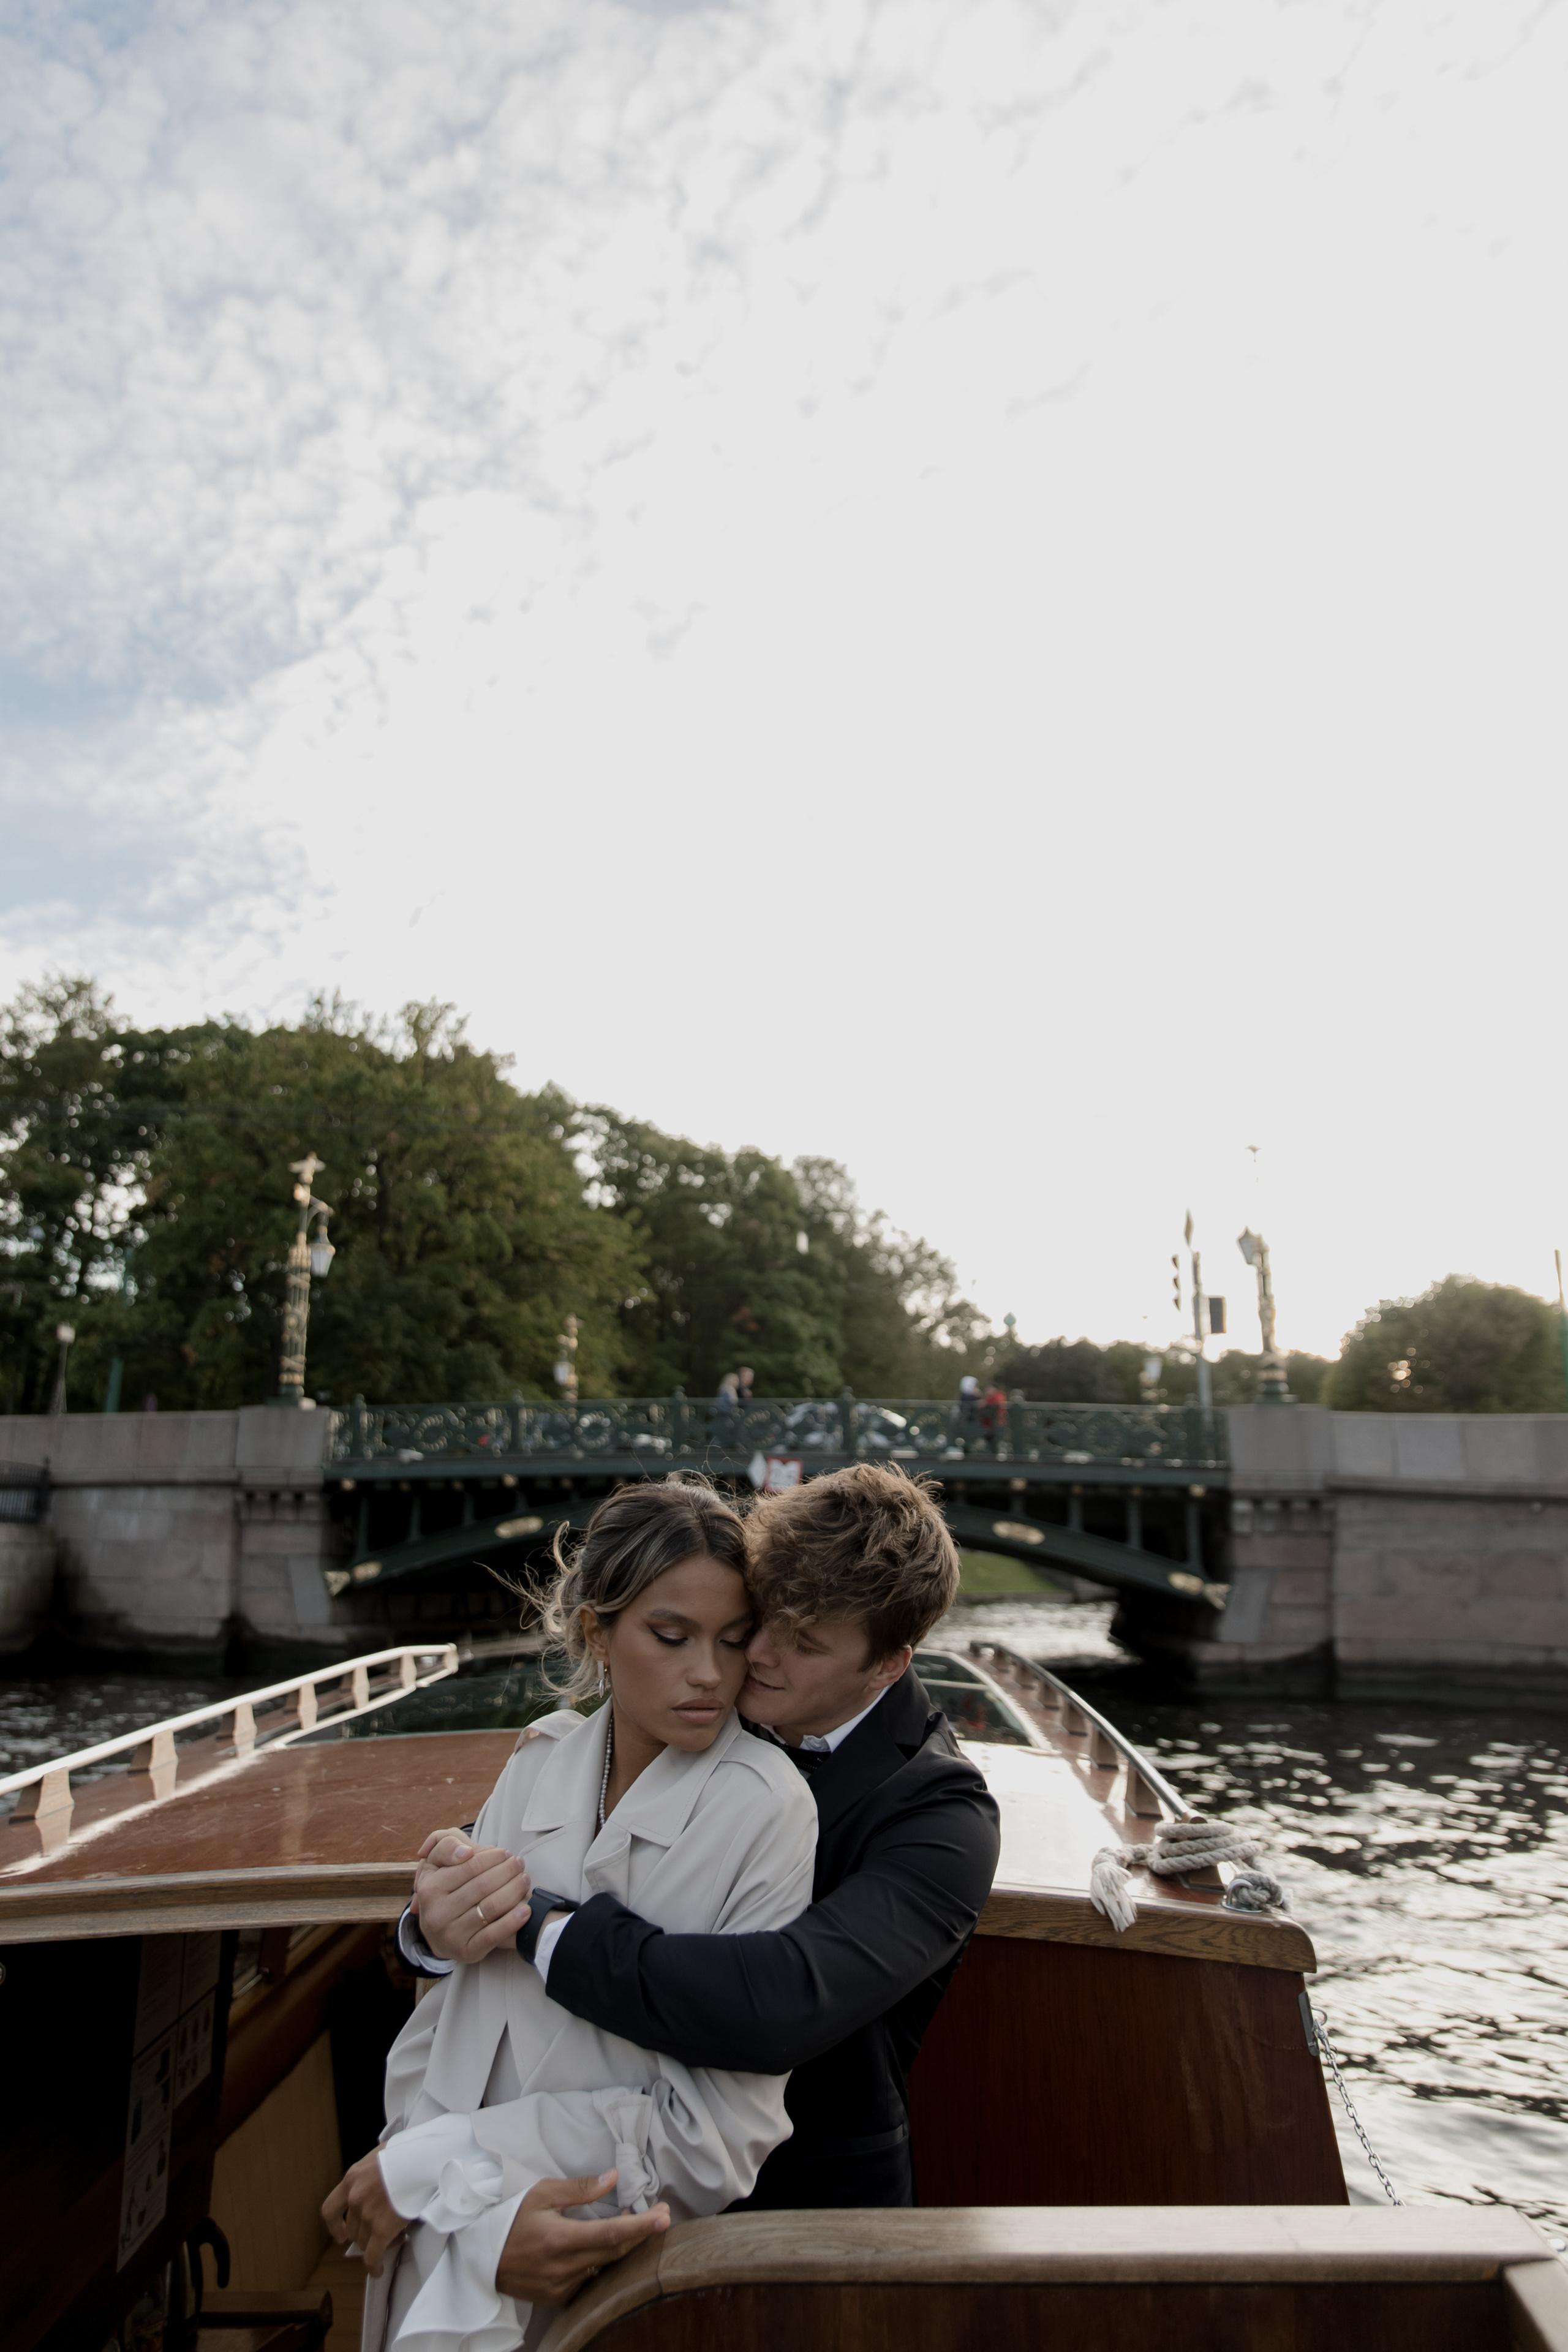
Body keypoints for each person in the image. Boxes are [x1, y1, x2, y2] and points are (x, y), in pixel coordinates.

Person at [402, 1463, 1000, 2305]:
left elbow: (784, 2002)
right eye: (763, 1620)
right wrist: (434, 1919)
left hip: (799, 2218)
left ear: (890, 1665)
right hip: (591, 2160)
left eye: (804, 1642)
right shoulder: (655, 1726)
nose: (749, 1658)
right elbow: (516, 1847)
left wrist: (537, 1925)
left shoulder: (943, 1818)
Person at [323, 1479, 816, 2352]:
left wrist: (448, 2177)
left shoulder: (766, 1810)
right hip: (427, 2222)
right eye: (671, 1638)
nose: (709, 1673)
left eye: (733, 1641)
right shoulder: (538, 1763)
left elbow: (718, 2136)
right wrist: (415, 2174)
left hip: (601, 2268)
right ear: (596, 1629)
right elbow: (448, 2023)